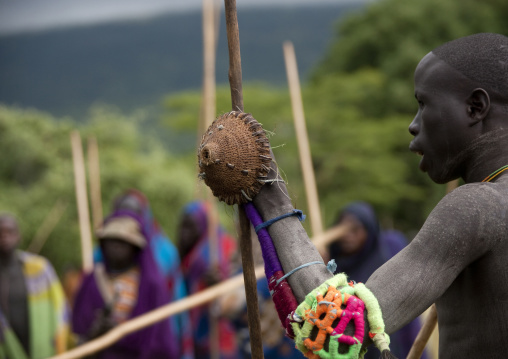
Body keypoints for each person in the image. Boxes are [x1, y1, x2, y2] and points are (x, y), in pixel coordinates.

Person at [246, 32, 508, 358]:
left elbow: (338, 327)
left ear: (475, 107)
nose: (413, 125)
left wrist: (271, 197)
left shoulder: (478, 208)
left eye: (423, 104)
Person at [72, 212, 178, 358]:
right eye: (111, 240)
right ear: (103, 244)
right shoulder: (92, 280)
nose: (116, 246)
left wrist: (122, 333)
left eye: (122, 242)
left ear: (135, 247)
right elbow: (78, 332)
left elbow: (159, 339)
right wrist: (96, 332)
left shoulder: (149, 285)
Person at [328, 202, 426, 359]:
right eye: (343, 229)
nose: (347, 235)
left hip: (391, 338)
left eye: (355, 229)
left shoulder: (386, 255)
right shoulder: (334, 265)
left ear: (369, 230)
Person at [107, 189, 194, 358]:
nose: (130, 220)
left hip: (156, 339)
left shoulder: (165, 253)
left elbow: (177, 303)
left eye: (135, 214)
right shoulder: (103, 255)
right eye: (124, 214)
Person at [0, 214, 69, 358]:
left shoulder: (40, 269)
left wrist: (59, 337)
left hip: (43, 345)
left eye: (9, 232)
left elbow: (60, 308)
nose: (4, 237)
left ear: (19, 236)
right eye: (0, 233)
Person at [177, 201, 239, 359]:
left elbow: (236, 284)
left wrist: (219, 285)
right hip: (197, 333)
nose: (185, 234)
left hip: (219, 334)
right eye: (183, 227)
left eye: (191, 227)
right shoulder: (189, 254)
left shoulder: (214, 251)